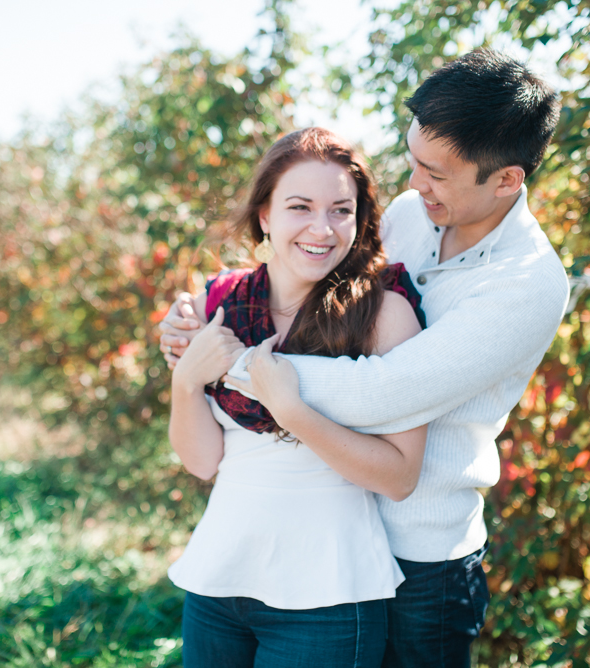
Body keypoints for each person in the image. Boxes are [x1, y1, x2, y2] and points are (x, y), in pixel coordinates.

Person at [160, 49, 569, 667]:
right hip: (325, 527)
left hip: (421, 553)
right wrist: (193, 328)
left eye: (436, 173)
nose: (413, 184)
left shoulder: (526, 283)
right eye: (412, 161)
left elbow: (386, 391)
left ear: (506, 178)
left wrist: (229, 363)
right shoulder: (413, 215)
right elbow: (310, 285)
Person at [166, 127, 428, 668]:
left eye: (340, 210)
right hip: (219, 580)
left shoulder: (383, 314)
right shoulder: (219, 303)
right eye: (300, 207)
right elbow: (202, 461)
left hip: (326, 596)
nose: (321, 228)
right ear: (265, 214)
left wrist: (292, 411)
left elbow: (400, 477)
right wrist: (186, 380)